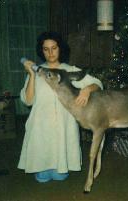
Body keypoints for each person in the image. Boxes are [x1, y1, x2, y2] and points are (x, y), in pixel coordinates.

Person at [18, 31, 103, 182]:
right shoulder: (38, 72)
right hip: (40, 123)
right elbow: (28, 101)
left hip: (64, 122)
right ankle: (43, 167)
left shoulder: (69, 70)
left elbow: (98, 84)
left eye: (54, 48)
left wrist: (87, 90)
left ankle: (59, 167)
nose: (50, 52)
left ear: (60, 48)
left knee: (60, 174)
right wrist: (31, 75)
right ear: (41, 51)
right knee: (43, 173)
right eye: (46, 49)